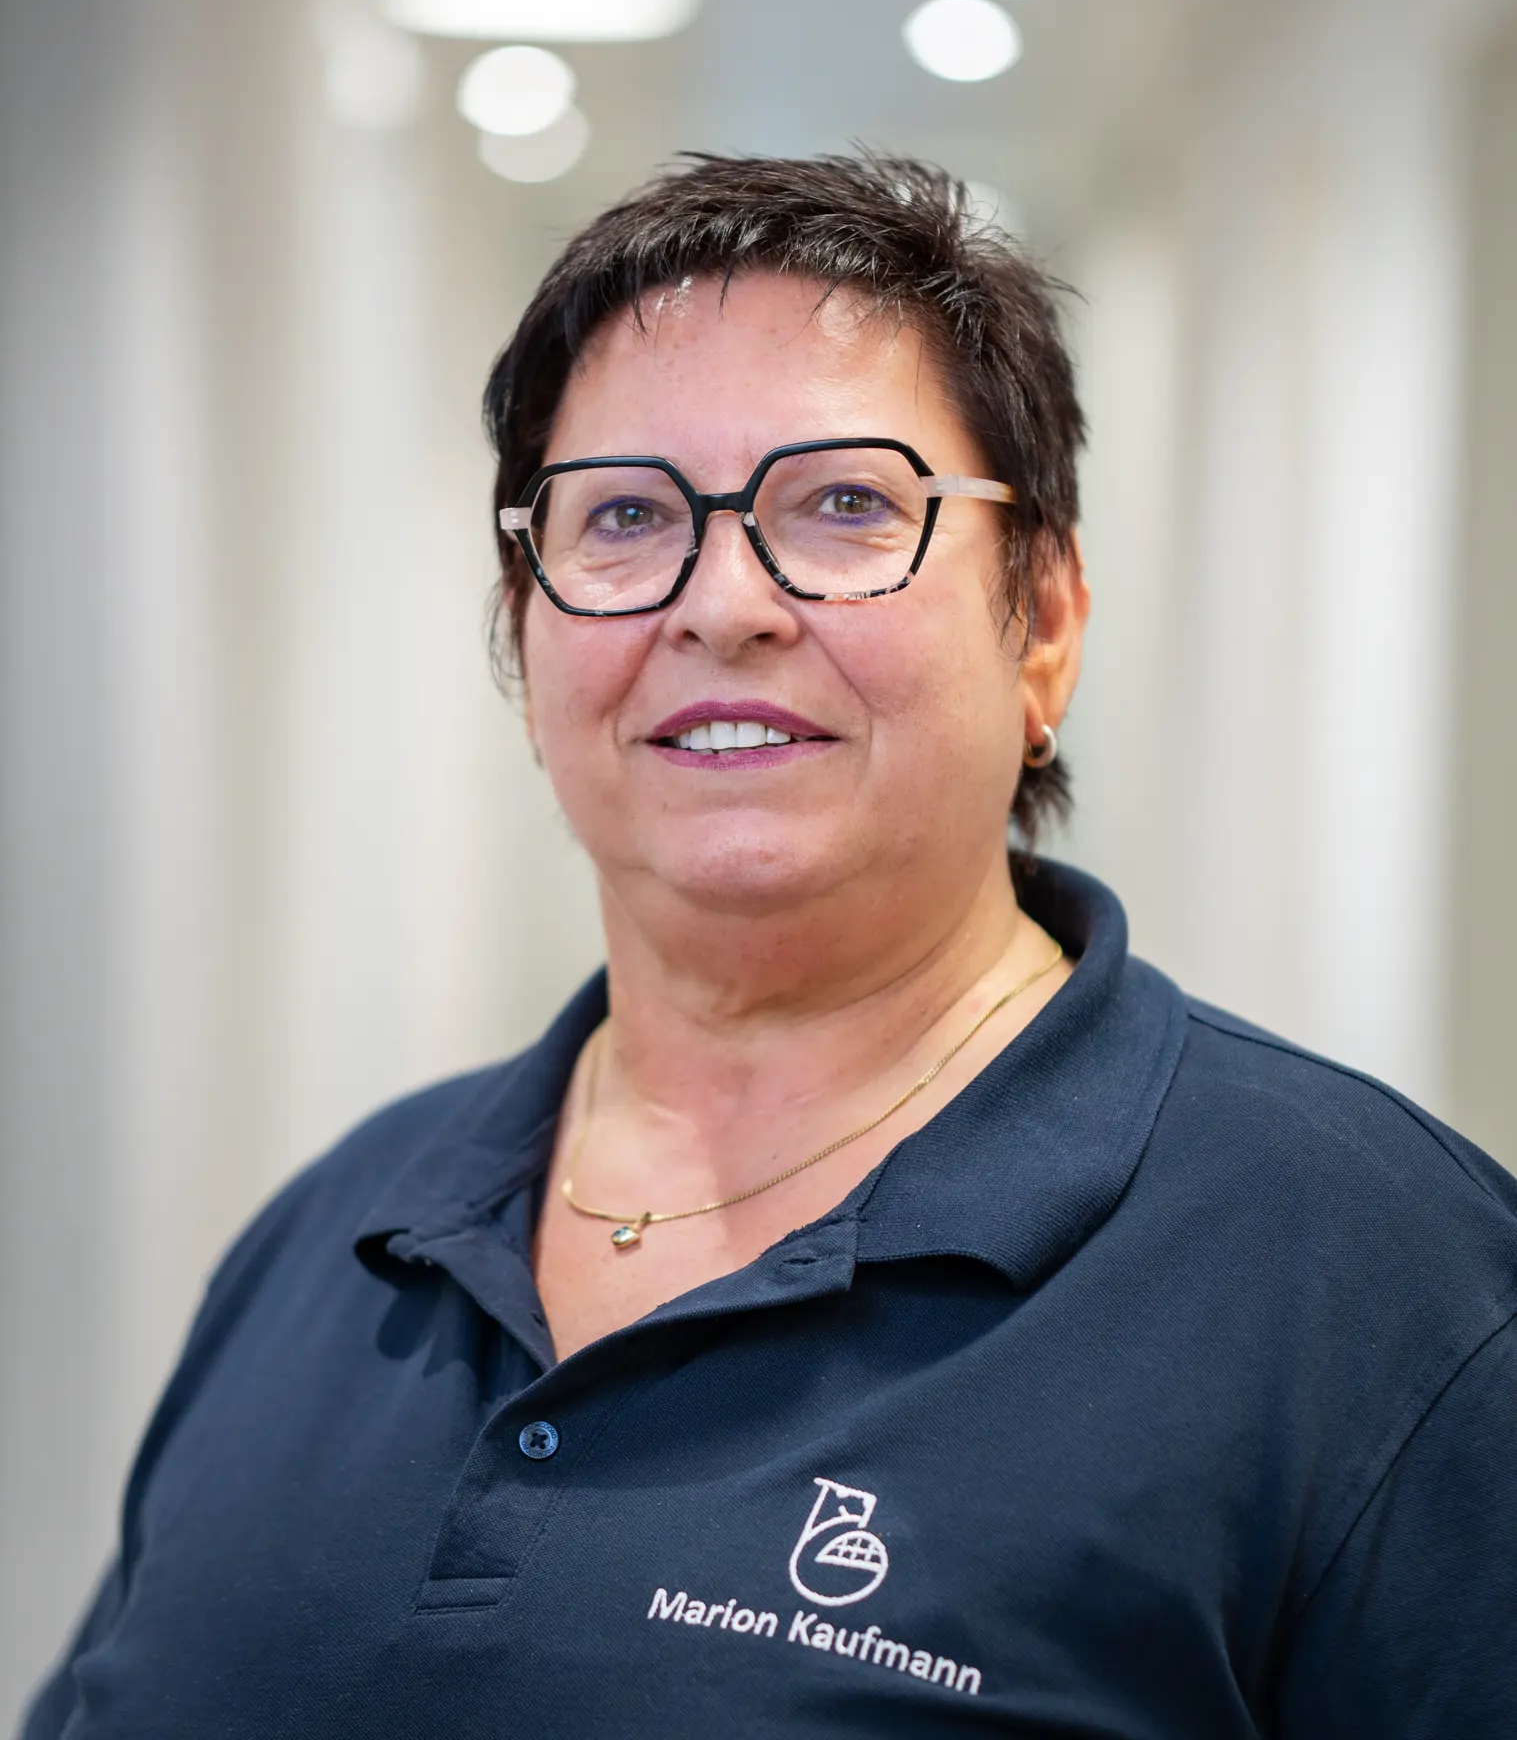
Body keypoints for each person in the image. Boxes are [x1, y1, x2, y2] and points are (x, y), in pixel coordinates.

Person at [24, 154, 1517, 1739]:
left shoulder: (1377, 1284)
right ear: (527, 650)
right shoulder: (339, 1241)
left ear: (1048, 624)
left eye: (849, 503)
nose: (722, 603)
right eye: (623, 520)